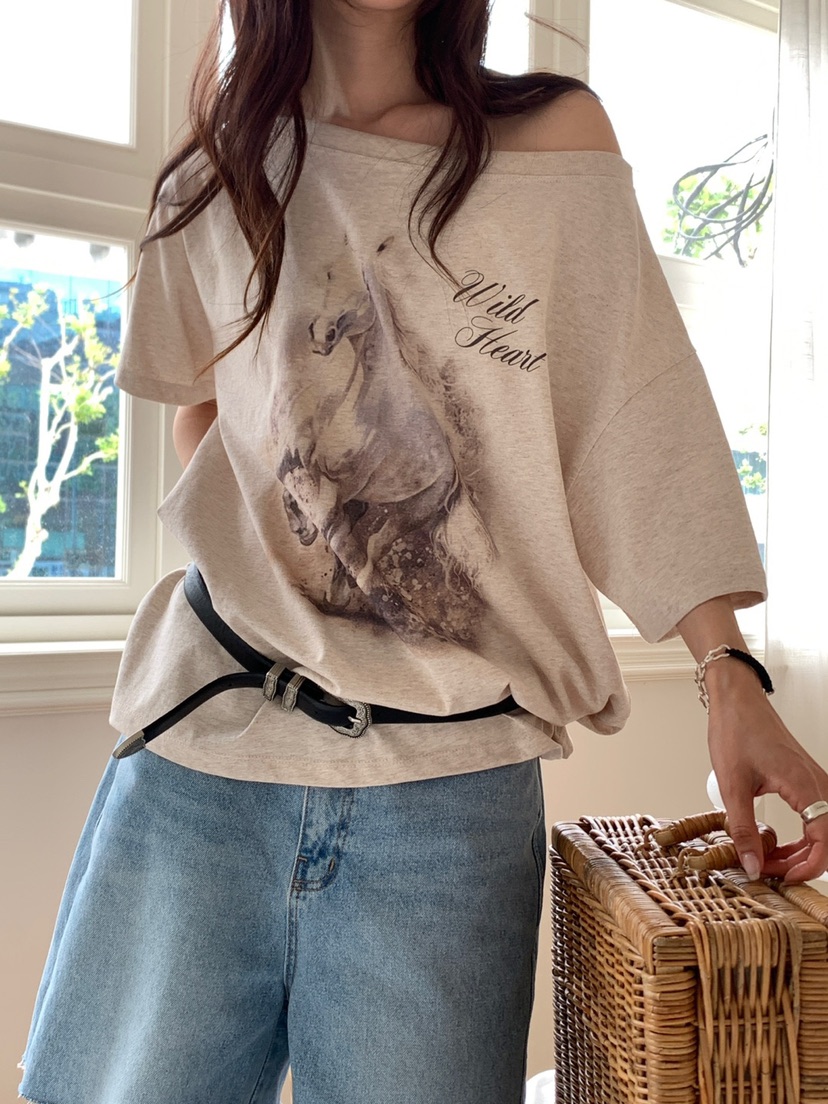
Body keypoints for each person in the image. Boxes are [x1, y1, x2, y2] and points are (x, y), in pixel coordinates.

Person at [19, 1, 828, 1102]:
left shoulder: (554, 143)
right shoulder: (215, 175)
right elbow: (208, 422)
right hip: (203, 756)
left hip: (448, 798)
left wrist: (727, 672)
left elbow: (634, 424)